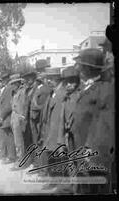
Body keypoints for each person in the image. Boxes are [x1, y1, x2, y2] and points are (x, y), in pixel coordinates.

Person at [69, 48, 115, 194]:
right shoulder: (88, 86)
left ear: (88, 68)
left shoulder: (105, 89)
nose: (77, 68)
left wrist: (91, 151)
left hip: (93, 156)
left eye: (80, 65)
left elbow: (106, 125)